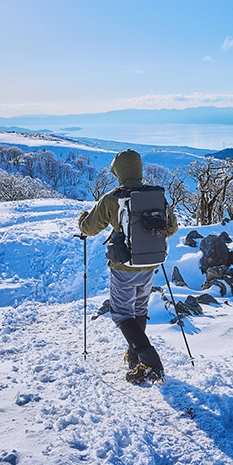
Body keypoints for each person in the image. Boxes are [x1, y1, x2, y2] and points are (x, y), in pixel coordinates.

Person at [78, 149, 178, 384]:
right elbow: (171, 229)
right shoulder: (155, 195)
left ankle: (151, 363)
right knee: (139, 310)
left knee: (122, 313)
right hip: (151, 262)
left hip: (124, 266)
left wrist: (81, 217)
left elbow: (89, 228)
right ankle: (135, 356)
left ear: (118, 171)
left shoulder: (114, 198)